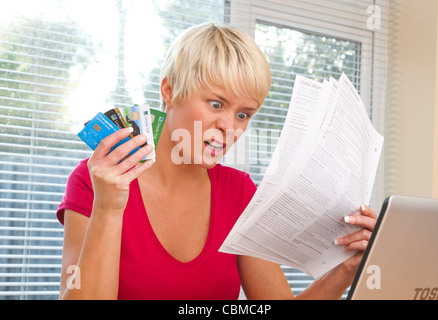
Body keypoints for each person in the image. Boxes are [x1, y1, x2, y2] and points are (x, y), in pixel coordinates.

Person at [57, 22, 377, 300]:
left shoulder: (237, 193)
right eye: (215, 103)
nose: (230, 127)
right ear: (169, 90)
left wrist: (347, 267)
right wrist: (109, 207)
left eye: (243, 114)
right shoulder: (95, 180)